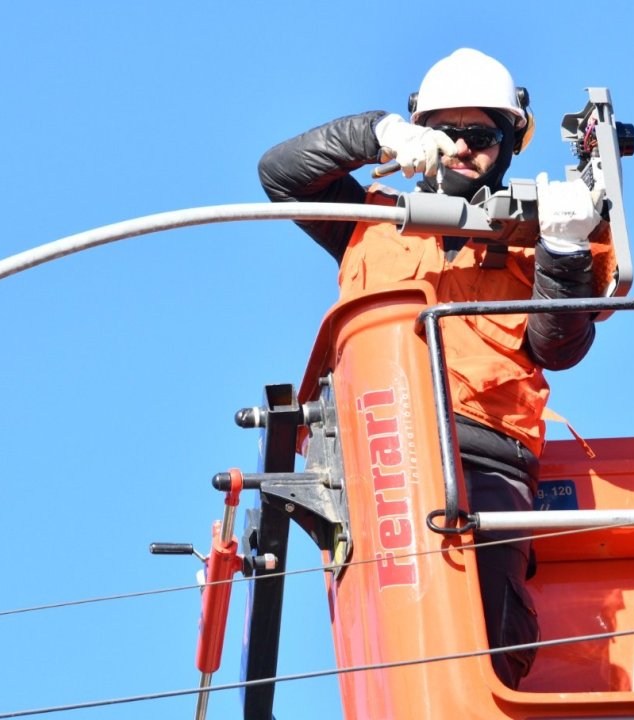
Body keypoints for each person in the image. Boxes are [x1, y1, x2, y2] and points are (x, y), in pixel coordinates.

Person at [257, 48, 601, 688]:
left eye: (482, 136)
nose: (464, 149)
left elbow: (560, 346)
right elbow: (279, 175)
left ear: (508, 146)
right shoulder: (372, 220)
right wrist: (377, 132)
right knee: (404, 627)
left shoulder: (535, 237)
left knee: (492, 628)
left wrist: (563, 249)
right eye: (449, 132)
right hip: (382, 445)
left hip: (487, 455)